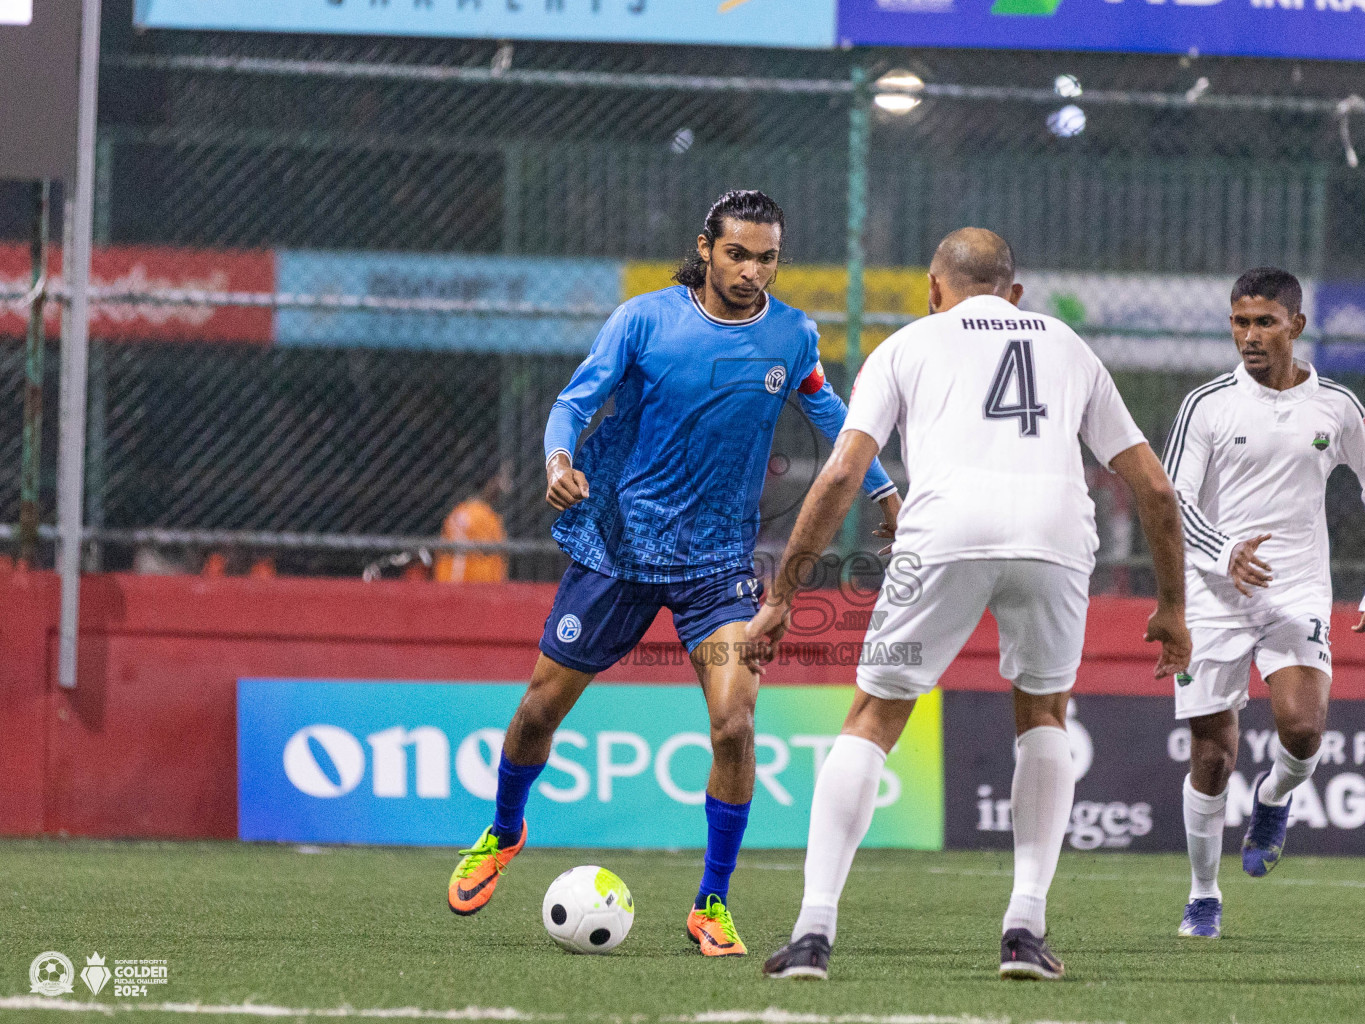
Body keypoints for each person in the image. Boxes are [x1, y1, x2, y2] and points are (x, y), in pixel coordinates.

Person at [446, 190, 901, 959]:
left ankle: (711, 902)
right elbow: (572, 403)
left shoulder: (793, 336)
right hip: (619, 550)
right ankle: (504, 828)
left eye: (767, 258)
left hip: (717, 563)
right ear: (706, 248)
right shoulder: (644, 319)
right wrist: (559, 461)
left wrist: (885, 487)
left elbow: (830, 414)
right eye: (738, 254)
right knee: (535, 715)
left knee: (734, 725)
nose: (753, 270)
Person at [745, 227, 1191, 981]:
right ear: (1014, 293)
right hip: (1054, 531)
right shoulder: (1067, 345)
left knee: (873, 718)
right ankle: (1025, 930)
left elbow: (841, 476)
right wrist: (1173, 607)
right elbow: (1153, 486)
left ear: (933, 288)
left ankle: (814, 933)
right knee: (1045, 714)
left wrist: (782, 597)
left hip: (945, 528)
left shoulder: (906, 345)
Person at [1166, 267, 1365, 940]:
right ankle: (1203, 895)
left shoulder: (1336, 406)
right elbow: (1173, 500)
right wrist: (1222, 553)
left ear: (1295, 326)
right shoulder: (1206, 405)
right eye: (1240, 321)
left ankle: (1273, 800)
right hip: (1214, 596)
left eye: (1264, 322)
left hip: (1296, 588)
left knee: (1301, 728)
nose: (1249, 335)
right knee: (1212, 756)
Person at [434, 464, 510, 583]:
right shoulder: (486, 517)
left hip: (447, 584)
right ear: (489, 484)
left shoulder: (457, 511)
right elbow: (498, 556)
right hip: (477, 586)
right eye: (498, 481)